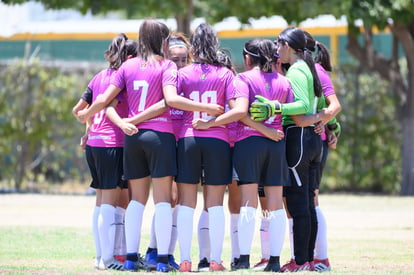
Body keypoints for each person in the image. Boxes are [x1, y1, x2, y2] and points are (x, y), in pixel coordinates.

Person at [75, 19, 223, 273]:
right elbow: (171, 100)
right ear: (163, 41)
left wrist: (86, 114)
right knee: (164, 200)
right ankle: (163, 260)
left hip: (133, 138)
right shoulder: (166, 66)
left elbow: (105, 99)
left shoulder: (128, 66)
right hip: (160, 136)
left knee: (136, 200)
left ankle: (131, 258)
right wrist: (207, 107)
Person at [194, 38, 293, 272]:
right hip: (276, 144)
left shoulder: (243, 79)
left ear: (248, 58)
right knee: (275, 204)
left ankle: (244, 259)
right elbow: (289, 114)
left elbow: (240, 113)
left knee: (248, 202)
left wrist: (209, 124)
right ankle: (275, 261)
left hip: (248, 143)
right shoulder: (284, 81)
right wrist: (270, 130)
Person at [249, 27, 326, 272]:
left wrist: (276, 108)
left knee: (297, 205)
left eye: (278, 43)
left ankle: (301, 262)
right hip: (313, 141)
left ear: (289, 46)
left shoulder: (297, 70)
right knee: (308, 204)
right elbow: (320, 103)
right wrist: (326, 122)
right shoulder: (309, 67)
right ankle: (309, 260)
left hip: (299, 139)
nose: (276, 48)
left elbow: (302, 105)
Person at [71, 33, 137, 271]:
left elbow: (78, 110)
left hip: (95, 146)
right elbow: (102, 108)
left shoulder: (99, 76)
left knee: (101, 203)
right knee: (109, 204)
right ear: (129, 57)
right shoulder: (123, 78)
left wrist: (89, 129)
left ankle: (103, 256)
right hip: (113, 145)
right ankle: (107, 260)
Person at [175, 23, 234, 272]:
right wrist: (212, 122)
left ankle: (186, 260)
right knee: (216, 203)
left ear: (193, 46)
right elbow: (234, 109)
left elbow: (172, 105)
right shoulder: (225, 74)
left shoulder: (183, 73)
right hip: (218, 140)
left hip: (187, 138)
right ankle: (215, 260)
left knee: (186, 203)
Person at [144, 31, 192, 271]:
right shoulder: (162, 76)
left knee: (176, 200)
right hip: (164, 141)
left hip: (184, 142)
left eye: (184, 59)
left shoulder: (190, 79)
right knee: (168, 199)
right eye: (175, 60)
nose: (180, 65)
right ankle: (155, 251)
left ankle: (161, 251)